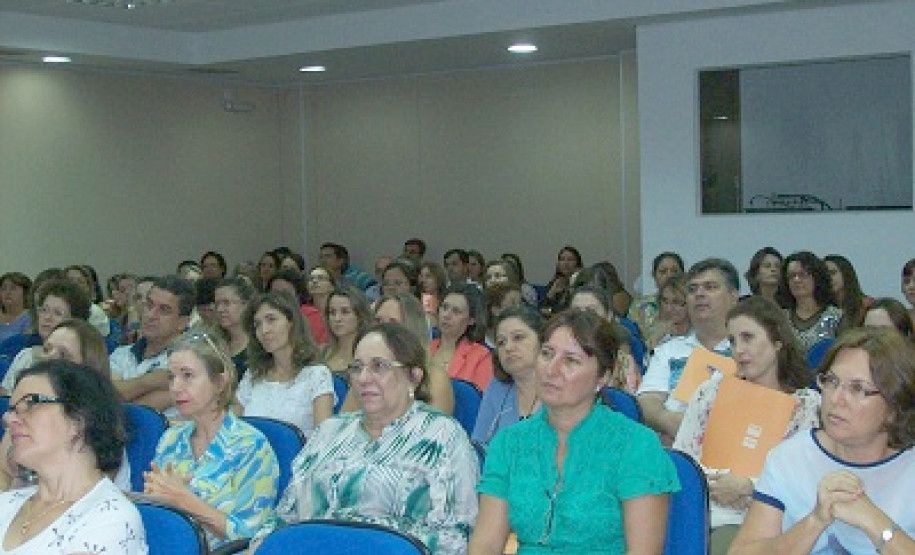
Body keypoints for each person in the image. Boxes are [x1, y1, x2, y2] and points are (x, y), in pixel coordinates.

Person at [251, 323, 479, 555]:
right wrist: (261, 545)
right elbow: (286, 513)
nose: (363, 378)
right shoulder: (329, 431)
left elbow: (457, 535)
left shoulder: (442, 435)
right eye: (357, 368)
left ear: (414, 376)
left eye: (379, 366)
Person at [469, 309, 680, 555]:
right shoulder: (509, 443)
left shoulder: (635, 445)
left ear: (602, 377)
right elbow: (485, 545)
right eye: (546, 354)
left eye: (571, 361)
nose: (551, 369)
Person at [729, 327, 915, 555]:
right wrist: (815, 521)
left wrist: (874, 521)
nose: (836, 398)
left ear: (895, 406)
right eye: (832, 381)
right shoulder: (791, 458)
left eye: (858, 388)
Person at [673, 297, 820, 555]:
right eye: (732, 341)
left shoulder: (806, 405)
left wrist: (749, 487)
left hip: (766, 519)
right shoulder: (710, 392)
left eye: (748, 338)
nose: (739, 350)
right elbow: (682, 460)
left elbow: (803, 480)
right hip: (703, 510)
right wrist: (714, 485)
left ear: (777, 342)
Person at [146, 333, 279, 549]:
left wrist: (185, 501)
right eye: (171, 377)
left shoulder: (251, 446)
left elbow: (253, 538)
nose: (176, 387)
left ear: (220, 382)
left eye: (187, 375)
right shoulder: (170, 439)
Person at [0, 359, 147, 553]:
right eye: (11, 410)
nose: (9, 419)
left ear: (80, 418)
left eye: (31, 403)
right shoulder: (7, 503)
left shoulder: (111, 518)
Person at [0, 319, 130, 492]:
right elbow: (2, 475)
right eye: (47, 349)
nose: (49, 357)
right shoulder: (23, 416)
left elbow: (82, 496)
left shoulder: (101, 427)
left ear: (88, 369)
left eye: (63, 354)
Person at [638, 258, 739, 444]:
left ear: (733, 296)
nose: (699, 294)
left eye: (710, 287)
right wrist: (675, 424)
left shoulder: (748, 349)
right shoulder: (668, 351)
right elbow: (647, 402)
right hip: (675, 448)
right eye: (692, 289)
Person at [341, 292, 454, 414]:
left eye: (393, 323)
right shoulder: (364, 376)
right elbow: (344, 421)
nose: (382, 329)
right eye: (378, 321)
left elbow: (435, 425)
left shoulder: (435, 380)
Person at [239, 292, 334, 437]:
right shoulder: (253, 374)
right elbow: (232, 429)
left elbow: (323, 438)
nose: (264, 330)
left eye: (271, 320)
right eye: (257, 324)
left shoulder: (317, 375)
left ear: (291, 322)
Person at [109, 275, 195, 416]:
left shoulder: (191, 362)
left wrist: (126, 390)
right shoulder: (121, 353)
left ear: (182, 322)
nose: (151, 315)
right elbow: (105, 396)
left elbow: (134, 414)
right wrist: (152, 380)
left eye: (164, 310)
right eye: (149, 305)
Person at [1, 279, 92, 395]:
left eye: (57, 313)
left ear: (75, 321)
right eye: (44, 310)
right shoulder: (26, 356)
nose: (47, 317)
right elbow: (5, 396)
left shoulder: (80, 362)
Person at [471, 306, 543, 450]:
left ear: (542, 340)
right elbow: (478, 447)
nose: (508, 347)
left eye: (518, 337)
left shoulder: (562, 390)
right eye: (501, 342)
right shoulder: (496, 388)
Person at [429, 283, 493, 391]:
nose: (446, 315)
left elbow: (480, 397)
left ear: (471, 320)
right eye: (444, 307)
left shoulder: (481, 356)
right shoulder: (425, 347)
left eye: (456, 311)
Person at [780, 251, 842, 352]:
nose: (796, 280)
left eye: (803, 274)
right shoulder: (781, 318)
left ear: (816, 277)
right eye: (791, 276)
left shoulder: (836, 317)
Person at [627, 251, 684, 340]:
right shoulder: (640, 306)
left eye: (674, 271)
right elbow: (632, 340)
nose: (669, 276)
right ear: (654, 276)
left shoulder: (691, 304)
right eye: (663, 272)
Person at [320, 286, 373, 375]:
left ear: (360, 316)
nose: (337, 318)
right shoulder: (321, 353)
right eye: (332, 312)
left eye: (345, 312)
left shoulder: (371, 356)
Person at [268, 269, 328, 344]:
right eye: (275, 293)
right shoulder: (264, 318)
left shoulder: (310, 315)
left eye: (285, 293)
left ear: (298, 295)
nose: (280, 297)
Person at [214, 276, 256, 378]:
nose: (220, 309)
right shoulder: (213, 343)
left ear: (246, 305)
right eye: (217, 304)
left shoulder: (259, 345)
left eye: (226, 303)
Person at [824, 254, 869, 333]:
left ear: (846, 274)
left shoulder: (867, 305)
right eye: (824, 274)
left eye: (832, 273)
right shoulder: (822, 308)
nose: (828, 278)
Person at [647, 273, 691, 352]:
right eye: (665, 301)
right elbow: (651, 358)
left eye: (676, 302)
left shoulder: (703, 335)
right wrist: (655, 340)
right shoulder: (661, 333)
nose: (668, 308)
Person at [541, 246, 583, 315]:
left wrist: (551, 311)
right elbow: (542, 309)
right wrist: (551, 294)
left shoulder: (582, 284)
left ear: (577, 264)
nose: (566, 263)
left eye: (570, 260)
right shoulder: (555, 283)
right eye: (562, 259)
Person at [0, 272, 32, 344]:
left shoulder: (31, 318)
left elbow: (24, 345)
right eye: (3, 289)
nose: (8, 292)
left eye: (13, 288)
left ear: (25, 293)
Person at [419, 261, 448, 327]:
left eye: (428, 276)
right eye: (422, 276)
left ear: (438, 278)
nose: (423, 280)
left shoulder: (447, 300)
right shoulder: (422, 299)